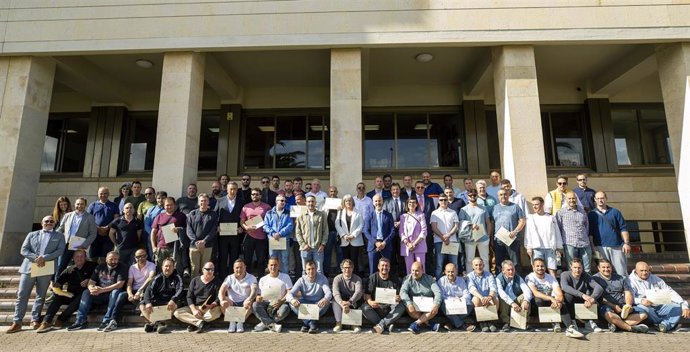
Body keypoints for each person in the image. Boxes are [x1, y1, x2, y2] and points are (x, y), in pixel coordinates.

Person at [6, 216, 65, 333]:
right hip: (29, 267)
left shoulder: (59, 236)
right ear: (42, 223)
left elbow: (60, 250)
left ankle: (34, 320)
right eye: (46, 221)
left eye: (51, 221)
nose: (49, 223)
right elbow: (24, 250)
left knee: (40, 295)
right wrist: (36, 258)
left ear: (55, 224)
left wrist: (44, 258)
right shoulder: (32, 234)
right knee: (22, 294)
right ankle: (17, 322)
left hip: (46, 268)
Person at [37, 249, 97, 333]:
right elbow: (57, 284)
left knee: (82, 295)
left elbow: (101, 279)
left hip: (88, 298)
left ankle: (61, 319)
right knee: (58, 297)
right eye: (77, 256)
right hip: (72, 295)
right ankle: (46, 321)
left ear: (85, 257)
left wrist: (89, 280)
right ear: (73, 258)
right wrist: (53, 286)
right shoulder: (69, 270)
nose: (79, 258)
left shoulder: (93, 266)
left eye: (82, 256)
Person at [67, 251, 127, 332]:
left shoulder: (122, 267)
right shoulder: (100, 267)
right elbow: (91, 282)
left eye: (115, 259)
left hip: (111, 295)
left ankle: (106, 321)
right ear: (106, 259)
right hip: (99, 294)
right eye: (111, 259)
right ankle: (80, 321)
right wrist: (92, 288)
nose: (113, 261)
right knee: (86, 292)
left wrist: (102, 290)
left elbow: (120, 284)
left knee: (116, 292)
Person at [526, 258, 583, 338]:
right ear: (533, 267)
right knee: (539, 300)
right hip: (535, 305)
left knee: (561, 303)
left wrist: (559, 301)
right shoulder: (530, 277)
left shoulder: (551, 278)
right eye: (537, 266)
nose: (540, 268)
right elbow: (535, 293)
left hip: (550, 301)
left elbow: (559, 293)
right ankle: (554, 322)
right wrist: (551, 299)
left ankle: (570, 328)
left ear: (545, 267)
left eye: (542, 266)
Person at [627, 261, 690, 332]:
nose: (644, 273)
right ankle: (663, 324)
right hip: (644, 306)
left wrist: (683, 305)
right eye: (641, 271)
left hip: (660, 305)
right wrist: (641, 301)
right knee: (644, 309)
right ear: (636, 270)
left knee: (677, 307)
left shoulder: (655, 278)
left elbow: (670, 292)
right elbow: (629, 297)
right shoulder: (630, 280)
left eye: (646, 270)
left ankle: (664, 325)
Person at [592, 259, 649, 333]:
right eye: (603, 267)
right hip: (606, 307)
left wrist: (628, 305)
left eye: (608, 267)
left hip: (623, 306)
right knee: (610, 315)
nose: (606, 269)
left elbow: (628, 293)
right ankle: (631, 328)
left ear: (611, 267)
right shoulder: (595, 279)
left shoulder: (620, 278)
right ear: (598, 268)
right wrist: (614, 306)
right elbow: (599, 297)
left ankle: (618, 325)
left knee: (644, 314)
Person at [588, 191, 631, 277]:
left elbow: (623, 228)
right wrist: (593, 247)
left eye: (602, 198)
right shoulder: (591, 214)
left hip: (617, 246)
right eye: (598, 198)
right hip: (600, 247)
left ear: (606, 199)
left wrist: (626, 243)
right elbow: (590, 233)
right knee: (604, 272)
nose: (600, 200)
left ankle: (626, 289)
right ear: (595, 200)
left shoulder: (615, 212)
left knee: (621, 272)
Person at [173, 261, 221, 333]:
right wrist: (194, 310)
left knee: (217, 312)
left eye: (212, 269)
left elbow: (219, 298)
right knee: (177, 313)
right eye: (208, 269)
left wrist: (212, 305)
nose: (210, 271)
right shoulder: (195, 280)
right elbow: (189, 297)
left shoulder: (217, 281)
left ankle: (194, 323)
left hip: (209, 308)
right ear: (202, 270)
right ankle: (200, 323)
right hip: (196, 307)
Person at [560, 258, 604, 332]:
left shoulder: (585, 275)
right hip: (571, 300)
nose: (577, 270)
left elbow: (599, 287)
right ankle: (572, 321)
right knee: (568, 295)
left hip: (582, 300)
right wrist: (582, 295)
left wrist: (592, 298)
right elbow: (565, 287)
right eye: (575, 267)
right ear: (571, 267)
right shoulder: (565, 274)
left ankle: (590, 322)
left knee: (598, 297)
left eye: (579, 267)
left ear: (582, 268)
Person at [362, 258, 405, 334]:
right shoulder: (372, 278)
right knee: (364, 307)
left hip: (390, 309)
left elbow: (399, 295)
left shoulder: (394, 278)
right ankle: (386, 324)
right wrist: (371, 302)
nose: (384, 267)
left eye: (386, 266)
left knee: (402, 306)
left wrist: (398, 298)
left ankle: (381, 324)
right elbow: (367, 294)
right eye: (382, 265)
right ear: (378, 266)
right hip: (376, 307)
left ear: (389, 267)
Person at [141, 257, 184, 333]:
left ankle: (154, 324)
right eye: (166, 266)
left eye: (170, 266)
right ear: (162, 267)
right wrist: (148, 303)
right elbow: (148, 290)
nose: (167, 268)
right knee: (142, 305)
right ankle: (158, 323)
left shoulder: (177, 278)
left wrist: (173, 300)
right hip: (158, 301)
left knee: (175, 304)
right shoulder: (157, 278)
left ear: (173, 268)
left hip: (170, 302)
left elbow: (180, 290)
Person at [288, 260, 332, 333]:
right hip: (306, 304)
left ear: (316, 268)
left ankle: (306, 323)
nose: (311, 271)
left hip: (318, 304)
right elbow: (290, 294)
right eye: (309, 269)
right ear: (305, 270)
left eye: (313, 268)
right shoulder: (301, 280)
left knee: (326, 303)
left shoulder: (322, 278)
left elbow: (328, 293)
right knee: (291, 303)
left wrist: (325, 299)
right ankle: (312, 323)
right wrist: (292, 300)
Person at [57, 197, 97, 278]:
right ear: (74, 205)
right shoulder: (67, 215)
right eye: (78, 204)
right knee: (61, 266)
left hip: (80, 245)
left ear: (85, 205)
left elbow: (93, 234)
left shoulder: (90, 217)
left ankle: (76, 287)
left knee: (79, 267)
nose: (79, 206)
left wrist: (84, 245)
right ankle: (57, 286)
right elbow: (60, 229)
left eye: (82, 204)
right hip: (66, 244)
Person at [525, 196, 563, 277]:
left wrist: (559, 246)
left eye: (537, 204)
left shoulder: (550, 217)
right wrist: (529, 247)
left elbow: (556, 232)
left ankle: (554, 287)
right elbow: (528, 233)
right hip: (536, 248)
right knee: (537, 269)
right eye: (533, 205)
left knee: (552, 269)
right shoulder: (531, 218)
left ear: (542, 204)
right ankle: (538, 287)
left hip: (550, 247)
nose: (534, 206)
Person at [252, 256, 293, 332]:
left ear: (278, 266)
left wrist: (281, 301)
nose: (273, 267)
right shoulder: (263, 279)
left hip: (280, 303)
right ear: (268, 266)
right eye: (271, 265)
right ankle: (272, 325)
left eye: (275, 265)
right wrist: (258, 298)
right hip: (266, 304)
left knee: (285, 309)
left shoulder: (285, 277)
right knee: (255, 305)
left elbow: (289, 292)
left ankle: (264, 322)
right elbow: (258, 295)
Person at [556, 191, 592, 274]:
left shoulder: (582, 211)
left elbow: (586, 226)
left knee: (587, 268)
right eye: (569, 198)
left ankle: (587, 285)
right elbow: (558, 228)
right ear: (566, 200)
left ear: (576, 199)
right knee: (572, 268)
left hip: (584, 243)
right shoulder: (561, 212)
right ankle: (574, 285)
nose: (571, 200)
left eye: (573, 198)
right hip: (570, 244)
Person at [401, 261, 442, 334]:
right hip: (414, 307)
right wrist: (409, 303)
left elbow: (438, 292)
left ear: (422, 271)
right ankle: (429, 323)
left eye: (417, 271)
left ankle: (416, 323)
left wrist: (436, 304)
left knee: (435, 308)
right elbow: (403, 292)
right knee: (408, 307)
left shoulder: (429, 279)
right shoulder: (407, 279)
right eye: (412, 270)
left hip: (427, 307)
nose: (414, 272)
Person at [216, 182, 246, 280]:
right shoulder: (220, 200)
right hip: (222, 235)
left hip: (236, 234)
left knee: (234, 257)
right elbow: (215, 215)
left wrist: (242, 228)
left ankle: (233, 278)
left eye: (235, 189)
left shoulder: (242, 202)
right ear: (227, 190)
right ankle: (222, 279)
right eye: (231, 189)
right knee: (223, 257)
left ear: (237, 190)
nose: (233, 191)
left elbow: (244, 217)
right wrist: (216, 226)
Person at [492, 189, 526, 274]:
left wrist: (515, 231)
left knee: (515, 262)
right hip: (498, 239)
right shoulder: (494, 208)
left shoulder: (515, 207)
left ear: (508, 195)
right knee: (499, 263)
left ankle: (518, 282)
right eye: (501, 195)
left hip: (512, 238)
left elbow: (522, 221)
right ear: (498, 196)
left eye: (505, 194)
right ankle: (500, 282)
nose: (503, 196)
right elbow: (492, 224)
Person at [219, 259, 258, 333]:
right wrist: (222, 300)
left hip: (244, 302)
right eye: (237, 268)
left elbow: (254, 290)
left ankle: (240, 323)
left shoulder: (252, 277)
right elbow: (222, 290)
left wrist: (249, 299)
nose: (239, 269)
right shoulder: (229, 278)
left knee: (251, 303)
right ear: (233, 269)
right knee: (223, 302)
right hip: (232, 303)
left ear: (245, 267)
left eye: (241, 267)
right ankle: (232, 322)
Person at [240, 188, 272, 277]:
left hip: (261, 237)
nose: (255, 196)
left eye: (257, 194)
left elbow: (270, 221)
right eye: (253, 194)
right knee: (247, 260)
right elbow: (242, 221)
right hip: (249, 236)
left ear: (260, 196)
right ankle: (248, 278)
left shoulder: (267, 207)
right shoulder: (246, 207)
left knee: (261, 260)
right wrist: (246, 227)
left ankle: (261, 279)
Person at [459, 189, 492, 274]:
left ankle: (487, 277)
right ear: (467, 196)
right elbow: (460, 223)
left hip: (483, 238)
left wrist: (488, 235)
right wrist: (470, 224)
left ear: (477, 195)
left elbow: (488, 222)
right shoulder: (463, 209)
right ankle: (470, 278)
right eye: (470, 195)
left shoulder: (483, 208)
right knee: (470, 259)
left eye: (474, 195)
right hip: (469, 238)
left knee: (485, 259)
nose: (472, 197)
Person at [186, 194, 218, 277]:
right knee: (194, 269)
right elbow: (189, 230)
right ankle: (194, 288)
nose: (203, 202)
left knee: (205, 269)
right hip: (194, 246)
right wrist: (196, 241)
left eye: (205, 201)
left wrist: (204, 241)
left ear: (208, 202)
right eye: (201, 201)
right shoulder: (191, 214)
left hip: (207, 246)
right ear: (198, 202)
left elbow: (213, 230)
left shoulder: (213, 215)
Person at [496, 259, 532, 332]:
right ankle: (506, 322)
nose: (511, 272)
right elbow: (501, 293)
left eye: (512, 269)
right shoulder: (498, 278)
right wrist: (512, 303)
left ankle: (524, 321)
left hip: (516, 299)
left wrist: (526, 300)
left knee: (525, 297)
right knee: (502, 297)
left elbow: (526, 289)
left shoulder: (517, 277)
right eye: (508, 270)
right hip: (507, 303)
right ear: (503, 271)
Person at [295, 195, 329, 274]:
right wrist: (303, 244)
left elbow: (325, 231)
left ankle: (319, 286)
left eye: (312, 201)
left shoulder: (322, 215)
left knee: (319, 270)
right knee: (305, 270)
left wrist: (323, 244)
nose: (311, 203)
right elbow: (298, 232)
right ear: (306, 203)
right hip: (305, 248)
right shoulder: (301, 216)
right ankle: (305, 286)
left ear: (315, 203)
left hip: (318, 248)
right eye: (309, 201)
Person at [150, 197, 187, 268]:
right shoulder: (159, 216)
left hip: (175, 248)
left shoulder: (181, 216)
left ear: (175, 205)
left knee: (175, 268)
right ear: (164, 206)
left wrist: (179, 229)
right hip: (161, 247)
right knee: (160, 268)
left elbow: (187, 230)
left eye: (171, 205)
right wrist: (154, 247)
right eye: (167, 205)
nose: (169, 207)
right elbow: (153, 232)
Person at [364, 194, 395, 274]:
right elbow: (366, 231)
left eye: (379, 200)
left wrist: (384, 242)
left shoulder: (388, 215)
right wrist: (375, 242)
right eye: (376, 201)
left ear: (382, 201)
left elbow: (392, 231)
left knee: (386, 269)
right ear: (373, 203)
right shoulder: (369, 215)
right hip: (373, 246)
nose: (378, 203)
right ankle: (373, 286)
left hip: (386, 245)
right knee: (373, 270)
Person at [263, 194, 294, 274]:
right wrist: (273, 233)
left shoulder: (288, 213)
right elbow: (265, 225)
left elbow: (290, 226)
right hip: (273, 239)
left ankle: (285, 279)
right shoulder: (269, 213)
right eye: (281, 201)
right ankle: (273, 278)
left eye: (284, 201)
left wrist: (280, 233)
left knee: (284, 260)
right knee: (273, 260)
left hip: (284, 239)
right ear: (276, 202)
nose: (283, 202)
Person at [437, 263, 474, 331]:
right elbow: (441, 296)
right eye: (448, 272)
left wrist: (461, 299)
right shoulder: (441, 281)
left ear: (456, 271)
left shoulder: (461, 280)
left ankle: (451, 322)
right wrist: (453, 300)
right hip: (448, 303)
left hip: (460, 303)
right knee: (442, 305)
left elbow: (467, 294)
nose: (450, 274)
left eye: (452, 271)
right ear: (445, 272)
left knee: (470, 304)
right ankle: (461, 325)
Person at [430, 194, 460, 279]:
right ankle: (439, 284)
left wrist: (448, 235)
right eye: (441, 200)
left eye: (445, 200)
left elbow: (456, 226)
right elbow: (434, 227)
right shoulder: (434, 213)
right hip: (439, 241)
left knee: (454, 264)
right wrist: (443, 237)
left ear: (448, 200)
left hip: (452, 241)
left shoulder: (453, 212)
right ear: (439, 201)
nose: (443, 201)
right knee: (439, 265)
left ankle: (456, 282)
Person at [467, 257, 499, 332]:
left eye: (480, 265)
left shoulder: (489, 275)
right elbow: (472, 288)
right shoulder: (470, 276)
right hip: (478, 298)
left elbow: (493, 287)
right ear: (472, 266)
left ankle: (491, 321)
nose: (478, 267)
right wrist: (481, 298)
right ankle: (482, 322)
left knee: (496, 299)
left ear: (483, 265)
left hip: (488, 298)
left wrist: (490, 297)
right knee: (476, 299)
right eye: (476, 265)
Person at [87, 187, 120, 263]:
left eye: (105, 193)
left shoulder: (113, 205)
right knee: (93, 258)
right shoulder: (93, 205)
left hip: (108, 235)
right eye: (101, 193)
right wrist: (98, 228)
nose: (103, 195)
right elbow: (88, 218)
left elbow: (117, 218)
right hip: (95, 234)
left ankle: (103, 274)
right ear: (98, 194)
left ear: (108, 194)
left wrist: (107, 227)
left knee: (105, 258)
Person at [335, 195, 364, 276]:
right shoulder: (340, 212)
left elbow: (361, 225)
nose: (348, 202)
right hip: (344, 240)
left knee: (355, 260)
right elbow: (337, 224)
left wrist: (353, 235)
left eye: (350, 200)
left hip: (355, 240)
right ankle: (346, 277)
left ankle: (355, 277)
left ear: (353, 202)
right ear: (344, 202)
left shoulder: (358, 211)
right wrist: (344, 235)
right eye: (346, 201)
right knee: (345, 260)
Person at [332, 259, 363, 333]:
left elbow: (358, 292)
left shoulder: (357, 279)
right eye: (345, 267)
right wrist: (341, 303)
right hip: (342, 301)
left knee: (359, 300)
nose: (347, 269)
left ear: (352, 268)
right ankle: (338, 323)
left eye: (349, 267)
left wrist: (350, 302)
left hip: (353, 301)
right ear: (342, 269)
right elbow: (335, 292)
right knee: (334, 302)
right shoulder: (337, 278)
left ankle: (354, 324)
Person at [108, 203, 143, 267]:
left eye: (131, 208)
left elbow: (139, 235)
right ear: (123, 210)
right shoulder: (117, 221)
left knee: (134, 267)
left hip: (133, 249)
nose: (129, 209)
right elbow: (111, 234)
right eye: (127, 208)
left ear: (134, 210)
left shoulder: (138, 221)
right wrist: (116, 244)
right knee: (120, 266)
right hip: (121, 249)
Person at [122, 249, 156, 313]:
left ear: (146, 256)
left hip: (145, 289)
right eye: (137, 257)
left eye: (142, 256)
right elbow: (129, 283)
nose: (140, 258)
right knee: (121, 296)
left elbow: (150, 277)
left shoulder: (151, 265)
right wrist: (130, 294)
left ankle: (140, 306)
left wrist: (139, 291)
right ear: (135, 258)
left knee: (146, 294)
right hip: (135, 290)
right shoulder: (132, 267)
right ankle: (114, 318)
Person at [399, 197, 427, 275]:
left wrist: (414, 244)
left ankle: (422, 286)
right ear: (407, 204)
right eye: (409, 202)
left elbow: (424, 231)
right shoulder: (403, 217)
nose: (411, 204)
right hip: (407, 246)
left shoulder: (421, 215)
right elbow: (401, 231)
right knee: (409, 269)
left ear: (416, 204)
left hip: (419, 244)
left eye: (413, 202)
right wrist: (407, 243)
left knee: (421, 268)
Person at [384, 183, 407, 276]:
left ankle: (402, 275)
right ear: (391, 191)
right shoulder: (386, 202)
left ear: (400, 190)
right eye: (393, 189)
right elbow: (384, 216)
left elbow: (408, 214)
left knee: (402, 254)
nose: (395, 191)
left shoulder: (405, 201)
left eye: (397, 189)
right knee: (392, 254)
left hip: (403, 232)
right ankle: (392, 274)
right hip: (391, 232)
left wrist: (401, 222)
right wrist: (392, 223)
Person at [323, 186, 343, 276]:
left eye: (334, 191)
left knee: (339, 252)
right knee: (327, 252)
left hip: (339, 232)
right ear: (328, 192)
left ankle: (340, 270)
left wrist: (341, 209)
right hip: (328, 231)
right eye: (331, 191)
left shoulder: (341, 203)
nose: (332, 193)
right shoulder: (325, 204)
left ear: (337, 192)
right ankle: (326, 271)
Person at [143, 191, 167, 260]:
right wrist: (153, 234)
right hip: (151, 236)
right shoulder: (151, 210)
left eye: (163, 198)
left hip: (164, 237)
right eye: (159, 198)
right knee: (152, 255)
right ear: (156, 199)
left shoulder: (168, 210)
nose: (160, 200)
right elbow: (147, 224)